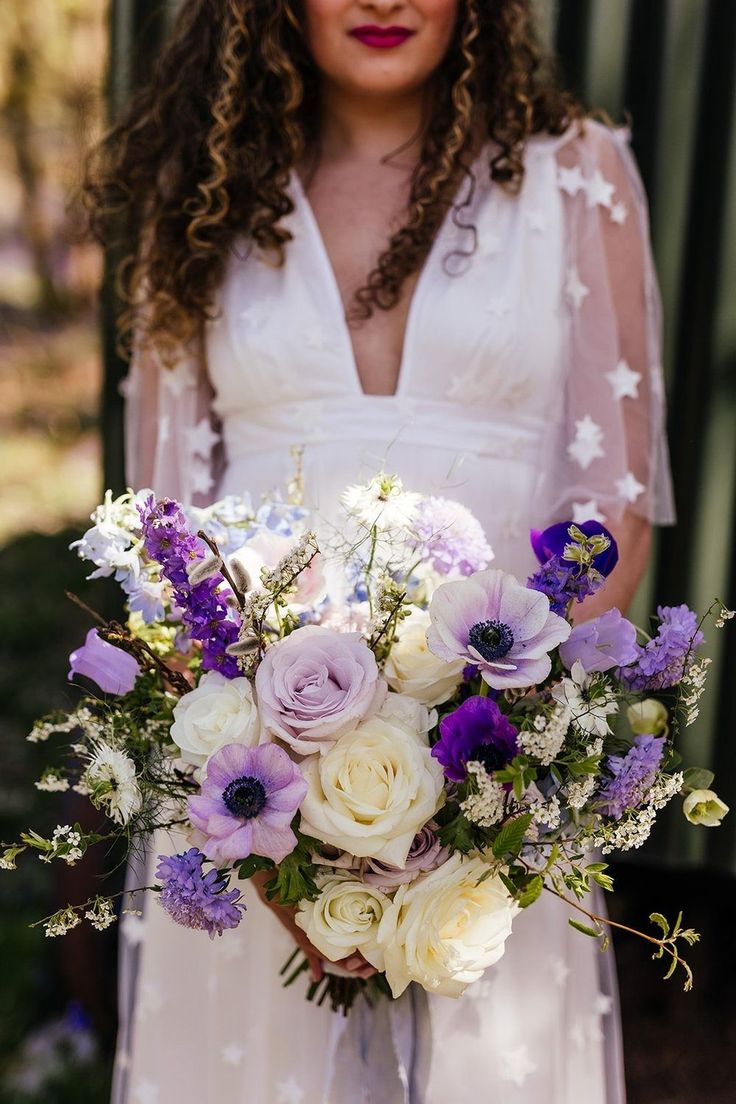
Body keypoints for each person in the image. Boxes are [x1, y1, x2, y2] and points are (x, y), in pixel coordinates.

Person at [84, 2, 675, 1101]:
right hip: (249, 799)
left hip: (499, 790)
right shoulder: (206, 190)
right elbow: (161, 530)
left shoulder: (574, 172)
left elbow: (614, 506)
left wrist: (486, 795)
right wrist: (267, 830)